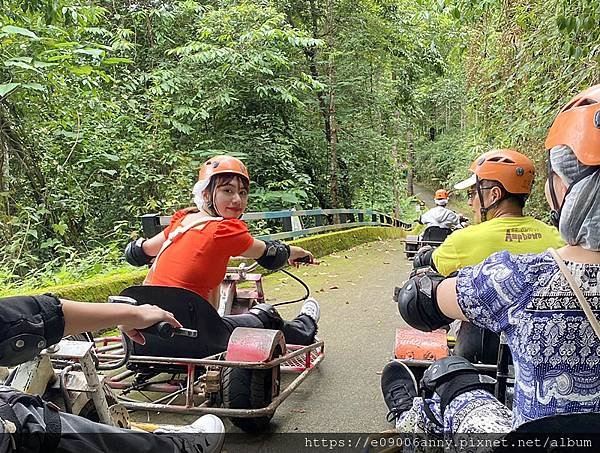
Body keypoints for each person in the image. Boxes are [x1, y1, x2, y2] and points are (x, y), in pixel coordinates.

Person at [383, 84, 600, 449]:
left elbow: (420, 301)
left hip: (527, 423)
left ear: (565, 187)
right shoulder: (551, 236)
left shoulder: (517, 273)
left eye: (473, 192)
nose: (470, 199)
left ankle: (411, 416)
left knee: (450, 381)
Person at [125, 155, 319, 346]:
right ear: (206, 194)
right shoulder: (224, 230)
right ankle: (306, 326)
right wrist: (300, 252)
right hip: (197, 337)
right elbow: (271, 254)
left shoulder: (184, 220)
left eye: (242, 193)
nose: (237, 199)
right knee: (266, 314)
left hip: (148, 336)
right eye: (227, 190)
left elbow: (140, 252)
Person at [0, 293, 225, 453]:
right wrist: (130, 314)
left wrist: (128, 313)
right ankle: (176, 449)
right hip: (197, 318)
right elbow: (15, 322)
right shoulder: (223, 230)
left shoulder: (170, 234)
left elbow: (137, 253)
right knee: (25, 419)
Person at [412, 149, 564, 362]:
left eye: (473, 193)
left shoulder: (463, 240)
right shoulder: (556, 237)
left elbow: (436, 268)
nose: (471, 202)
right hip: (544, 349)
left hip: (480, 351)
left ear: (494, 194)